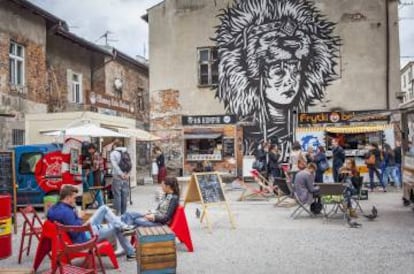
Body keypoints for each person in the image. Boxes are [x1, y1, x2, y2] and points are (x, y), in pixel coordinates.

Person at [47, 185, 136, 260]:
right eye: (74, 198)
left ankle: (124, 226)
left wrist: (76, 215)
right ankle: (130, 252)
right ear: (67, 197)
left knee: (103, 208)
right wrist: (79, 218)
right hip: (85, 237)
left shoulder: (55, 208)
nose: (75, 200)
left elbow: (49, 215)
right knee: (116, 226)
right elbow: (75, 232)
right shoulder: (67, 213)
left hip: (84, 230)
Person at [110, 139, 130, 215]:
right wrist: (126, 174)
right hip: (125, 176)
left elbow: (114, 165)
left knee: (117, 195)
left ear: (115, 145)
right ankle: (124, 214)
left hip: (117, 176)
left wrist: (121, 174)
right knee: (124, 195)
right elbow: (129, 164)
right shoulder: (126, 152)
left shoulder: (113, 153)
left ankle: (117, 214)